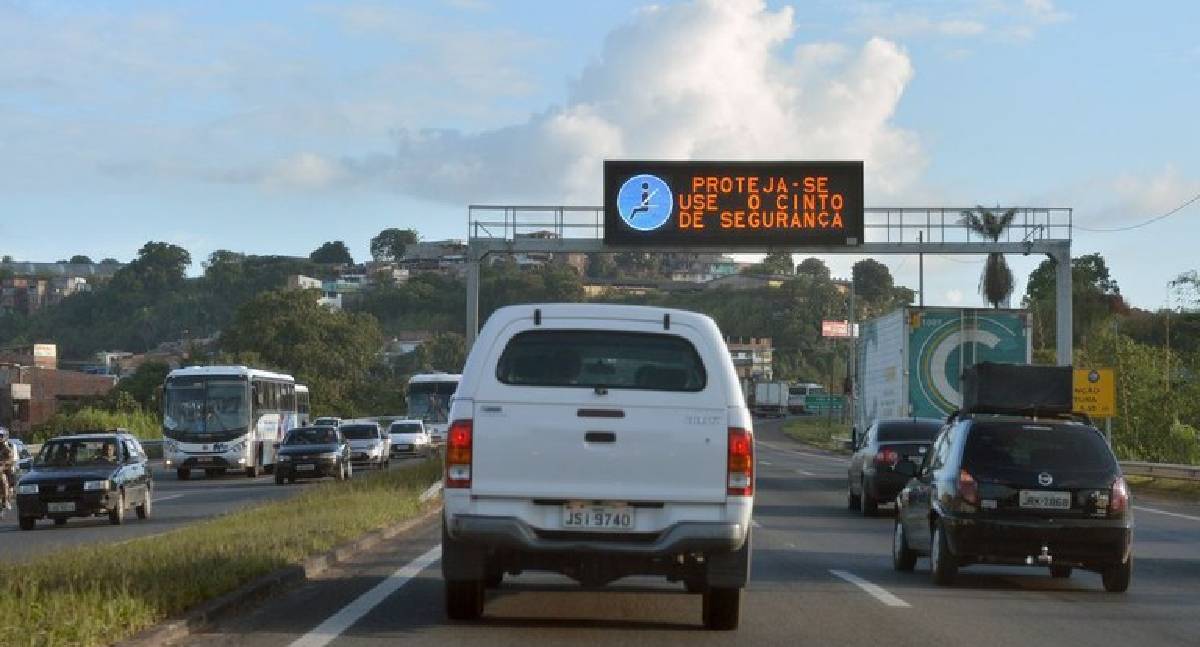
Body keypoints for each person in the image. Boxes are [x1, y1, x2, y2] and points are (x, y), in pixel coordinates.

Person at [0, 429, 15, 511]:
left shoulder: (7, 448)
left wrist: (4, 464)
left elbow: (11, 460)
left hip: (5, 469)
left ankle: (6, 500)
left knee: (4, 480)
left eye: (1, 436)